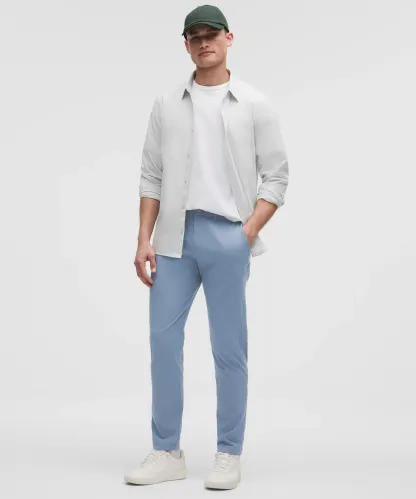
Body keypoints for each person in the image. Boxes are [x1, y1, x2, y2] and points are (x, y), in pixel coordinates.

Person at [125, 4, 289, 490]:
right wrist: (143, 239)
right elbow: (151, 174)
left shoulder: (254, 103)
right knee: (162, 342)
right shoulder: (166, 104)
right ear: (186, 45)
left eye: (211, 35)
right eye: (194, 36)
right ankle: (166, 451)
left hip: (228, 236)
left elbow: (277, 177)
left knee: (228, 349)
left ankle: (228, 453)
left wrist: (247, 232)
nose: (203, 43)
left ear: (228, 38)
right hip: (173, 238)